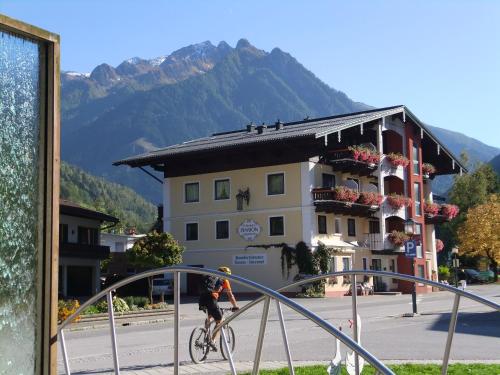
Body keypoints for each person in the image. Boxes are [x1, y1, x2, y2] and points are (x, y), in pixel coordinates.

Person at [198, 266, 239, 351]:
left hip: (202, 300)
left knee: (209, 316)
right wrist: (235, 306)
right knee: (220, 321)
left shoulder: (210, 276)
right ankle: (212, 341)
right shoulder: (224, 280)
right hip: (211, 300)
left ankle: (206, 335)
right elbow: (230, 295)